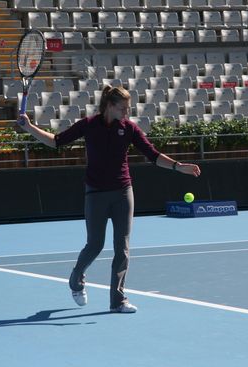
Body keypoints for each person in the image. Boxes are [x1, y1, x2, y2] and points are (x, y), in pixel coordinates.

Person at [18, 85, 201, 313]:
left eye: (128, 108)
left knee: (122, 247)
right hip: (95, 193)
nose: (126, 112)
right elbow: (56, 141)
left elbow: (152, 155)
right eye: (123, 108)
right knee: (95, 245)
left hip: (123, 192)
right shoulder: (88, 125)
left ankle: (118, 301)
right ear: (110, 106)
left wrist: (178, 166)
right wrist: (30, 128)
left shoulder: (129, 128)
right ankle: (76, 278)